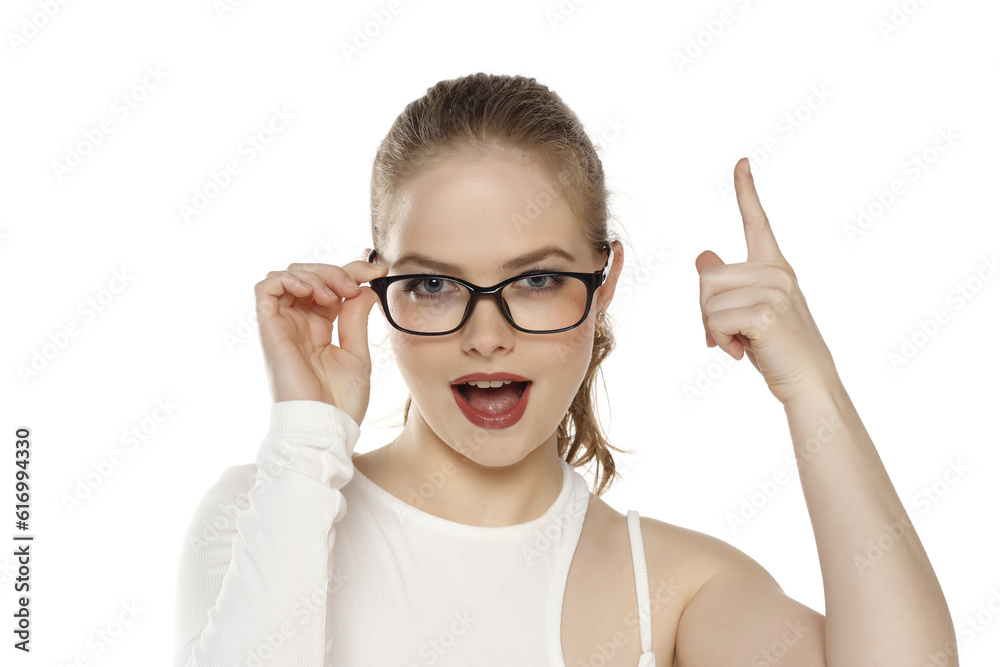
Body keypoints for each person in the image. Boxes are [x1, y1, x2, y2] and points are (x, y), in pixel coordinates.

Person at [174, 73, 958, 666]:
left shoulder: (676, 589)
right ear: (377, 288)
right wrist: (308, 436)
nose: (487, 337)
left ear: (605, 279)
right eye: (436, 284)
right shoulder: (268, 509)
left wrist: (811, 385)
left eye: (538, 280)